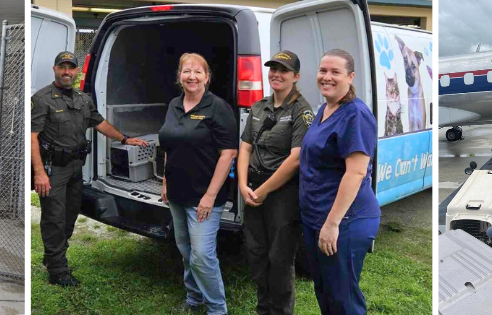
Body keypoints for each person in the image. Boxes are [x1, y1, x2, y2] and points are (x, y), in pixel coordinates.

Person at [30, 51, 148, 287]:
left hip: (76, 167)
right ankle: (58, 271)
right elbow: (32, 137)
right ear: (55, 69)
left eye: (71, 68)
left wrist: (124, 139)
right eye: (62, 68)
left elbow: (100, 123)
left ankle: (54, 256)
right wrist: (39, 173)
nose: (67, 72)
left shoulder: (83, 99)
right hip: (54, 169)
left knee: (70, 216)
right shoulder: (42, 99)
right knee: (54, 218)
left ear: (76, 72)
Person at [299, 49, 380, 314]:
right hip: (317, 217)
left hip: (345, 220)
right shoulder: (326, 107)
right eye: (323, 70)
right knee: (325, 291)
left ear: (350, 77)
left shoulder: (355, 114)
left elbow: (356, 172)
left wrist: (332, 224)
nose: (327, 77)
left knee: (343, 298)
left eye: (335, 72)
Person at [159, 53, 237, 315]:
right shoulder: (174, 104)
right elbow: (169, 144)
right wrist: (165, 182)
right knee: (185, 250)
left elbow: (228, 154)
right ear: (179, 76)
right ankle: (194, 299)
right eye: (186, 71)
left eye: (197, 72)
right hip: (177, 193)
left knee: (202, 256)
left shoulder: (218, 108)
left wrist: (209, 196)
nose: (191, 76)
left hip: (205, 196)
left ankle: (217, 309)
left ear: (207, 77)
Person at [238, 50, 314, 315]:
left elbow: (295, 160)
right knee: (256, 253)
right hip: (253, 189)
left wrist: (261, 190)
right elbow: (245, 147)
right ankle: (263, 309)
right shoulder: (259, 107)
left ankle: (281, 311)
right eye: (273, 69)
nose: (276, 74)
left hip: (282, 193)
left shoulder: (301, 111)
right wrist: (243, 186)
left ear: (296, 76)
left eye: (283, 70)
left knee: (279, 258)